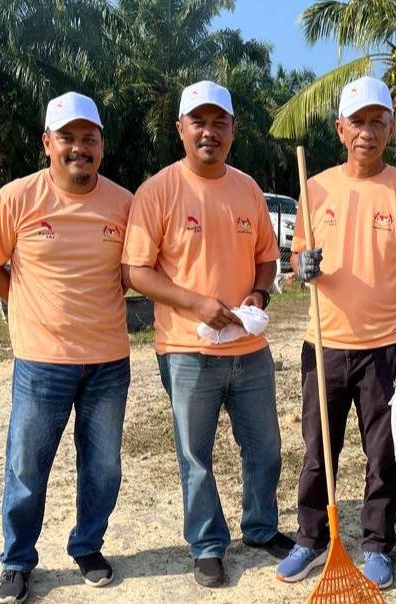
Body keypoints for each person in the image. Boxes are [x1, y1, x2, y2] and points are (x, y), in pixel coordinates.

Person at [121, 80, 293, 588]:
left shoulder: (247, 189)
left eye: (220, 122)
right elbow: (136, 271)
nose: (209, 132)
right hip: (186, 349)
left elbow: (266, 257)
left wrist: (258, 296)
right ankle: (207, 544)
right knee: (195, 454)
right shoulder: (158, 191)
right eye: (198, 121)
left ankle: (260, 528)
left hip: (249, 349)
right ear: (181, 129)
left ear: (233, 130)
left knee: (264, 447)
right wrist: (196, 302)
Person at [276, 76, 396, 589]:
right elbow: (298, 258)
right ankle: (310, 539)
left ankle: (377, 545)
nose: (367, 132)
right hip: (324, 343)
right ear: (340, 129)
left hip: (385, 348)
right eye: (358, 122)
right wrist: (302, 265)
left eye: (377, 121)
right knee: (317, 449)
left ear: (391, 127)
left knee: (382, 452)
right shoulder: (315, 189)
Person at [0, 92, 133, 603]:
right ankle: (17, 559)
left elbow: (132, 272)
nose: (78, 148)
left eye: (89, 138)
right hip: (41, 362)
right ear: (47, 142)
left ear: (102, 145)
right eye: (67, 137)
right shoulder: (17, 198)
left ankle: (87, 545)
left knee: (103, 467)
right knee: (27, 466)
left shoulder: (124, 203)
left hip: (108, 361)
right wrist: (23, 305)